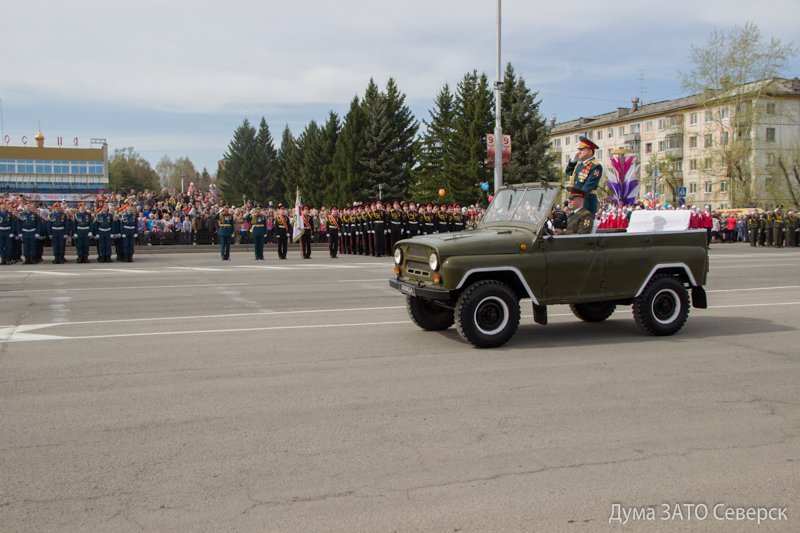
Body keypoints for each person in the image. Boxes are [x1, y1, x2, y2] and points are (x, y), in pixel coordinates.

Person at [565, 136, 603, 216]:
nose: (579, 152)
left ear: (589, 151)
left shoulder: (595, 166)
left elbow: (588, 187)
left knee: (585, 227)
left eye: (582, 149)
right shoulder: (579, 165)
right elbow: (568, 172)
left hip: (586, 203)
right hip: (576, 203)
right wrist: (573, 161)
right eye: (579, 150)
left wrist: (576, 199)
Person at [0, 200, 17, 265]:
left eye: (4, 204)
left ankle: (7, 259)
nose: (3, 206)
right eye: (2, 204)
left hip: (8, 231)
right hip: (0, 231)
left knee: (8, 245)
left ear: (6, 206)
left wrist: (12, 232)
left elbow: (13, 224)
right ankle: (2, 259)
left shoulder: (9, 214)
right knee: (1, 245)